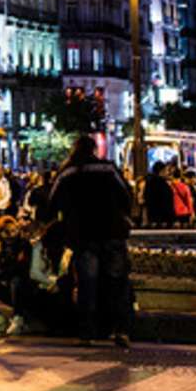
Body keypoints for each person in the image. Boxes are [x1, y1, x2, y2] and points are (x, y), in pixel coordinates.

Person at [41, 135, 135, 347]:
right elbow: (126, 194)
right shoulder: (108, 169)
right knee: (117, 282)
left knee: (87, 284)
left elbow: (52, 203)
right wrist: (124, 215)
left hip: (83, 235)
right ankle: (121, 330)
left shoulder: (67, 172)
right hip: (112, 232)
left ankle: (87, 332)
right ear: (94, 149)